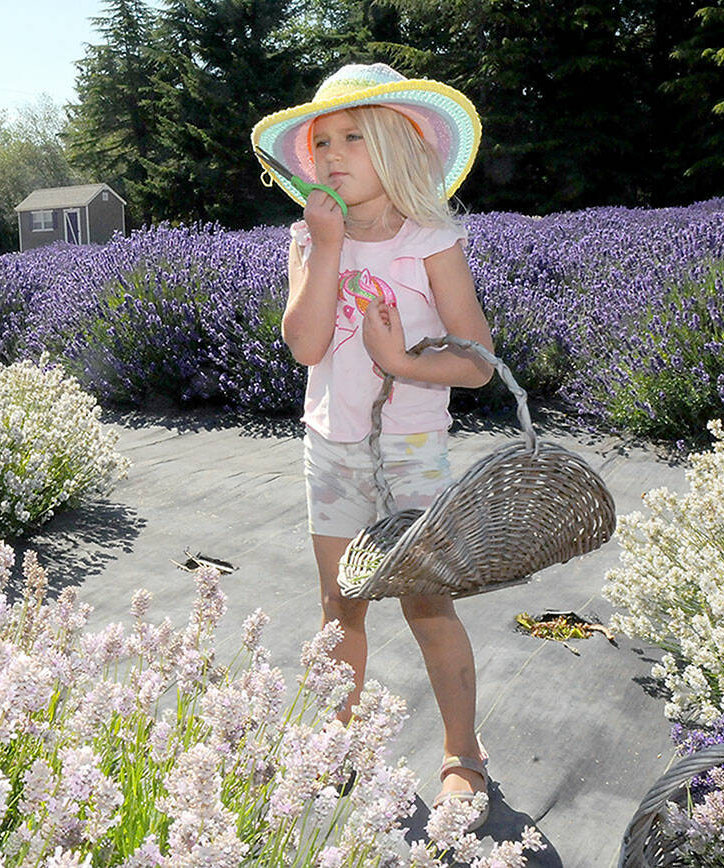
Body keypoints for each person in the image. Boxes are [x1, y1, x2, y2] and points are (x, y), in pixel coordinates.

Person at [251, 62, 496, 829]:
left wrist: (399, 363)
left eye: (353, 136)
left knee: (427, 603)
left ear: (398, 147)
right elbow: (306, 343)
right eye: (321, 141)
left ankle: (463, 753)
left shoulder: (431, 241)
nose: (331, 153)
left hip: (413, 450)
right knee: (341, 605)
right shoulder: (306, 238)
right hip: (333, 448)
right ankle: (340, 737)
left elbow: (480, 362)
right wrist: (324, 250)